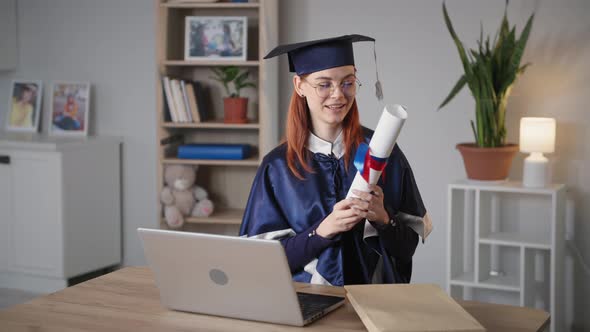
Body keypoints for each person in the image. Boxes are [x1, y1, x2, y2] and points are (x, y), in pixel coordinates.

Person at [239, 35, 432, 286]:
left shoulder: (384, 153)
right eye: (323, 84)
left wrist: (383, 219)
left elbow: (406, 250)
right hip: (307, 301)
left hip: (374, 301)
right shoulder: (277, 168)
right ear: (299, 86)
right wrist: (321, 231)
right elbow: (261, 261)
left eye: (347, 83)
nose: (338, 95)